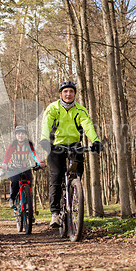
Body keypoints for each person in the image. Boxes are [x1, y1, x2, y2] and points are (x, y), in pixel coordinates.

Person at [39, 81, 103, 228]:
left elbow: (87, 125)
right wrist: (44, 139)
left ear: (75, 94)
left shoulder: (80, 110)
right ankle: (55, 213)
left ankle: (74, 194)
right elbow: (46, 123)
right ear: (60, 94)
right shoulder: (53, 108)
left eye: (71, 92)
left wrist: (95, 141)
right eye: (65, 91)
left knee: (77, 174)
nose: (68, 94)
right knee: (56, 176)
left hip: (75, 145)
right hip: (56, 146)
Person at [1, 126, 45, 210]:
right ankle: (12, 198)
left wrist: (40, 162)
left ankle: (29, 210)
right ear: (16, 135)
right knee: (15, 182)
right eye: (18, 134)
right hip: (14, 168)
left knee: (28, 186)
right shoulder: (13, 145)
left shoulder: (29, 144)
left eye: (22, 133)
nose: (20, 135)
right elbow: (7, 156)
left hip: (25, 167)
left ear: (25, 135)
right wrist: (4, 164)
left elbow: (34, 154)